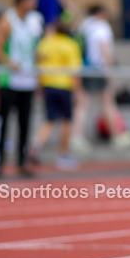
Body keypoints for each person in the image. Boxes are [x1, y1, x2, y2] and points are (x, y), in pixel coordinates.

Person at [0, 0, 44, 178]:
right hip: (10, 79)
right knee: (4, 122)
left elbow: (33, 49)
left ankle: (22, 162)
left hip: (27, 80)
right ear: (22, 1)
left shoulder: (34, 21)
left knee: (25, 123)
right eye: (30, 0)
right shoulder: (8, 20)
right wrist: (10, 63)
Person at [71, 4, 130, 153]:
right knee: (107, 102)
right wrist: (109, 70)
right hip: (98, 68)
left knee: (82, 104)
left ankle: (76, 136)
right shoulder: (101, 26)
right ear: (100, 13)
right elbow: (104, 48)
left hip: (84, 68)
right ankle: (116, 135)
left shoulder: (85, 25)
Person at [33, 12, 84, 170]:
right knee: (67, 121)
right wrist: (77, 91)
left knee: (49, 119)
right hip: (64, 86)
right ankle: (63, 154)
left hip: (48, 84)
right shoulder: (70, 45)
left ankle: (36, 144)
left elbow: (39, 64)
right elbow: (74, 71)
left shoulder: (45, 43)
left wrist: (40, 85)